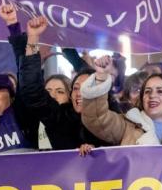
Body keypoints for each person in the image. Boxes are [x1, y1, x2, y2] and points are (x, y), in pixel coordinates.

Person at [14, 16, 110, 151]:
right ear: (71, 95)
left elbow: (89, 76)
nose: (80, 93)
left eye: (59, 91)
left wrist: (96, 151)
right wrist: (33, 38)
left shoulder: (109, 116)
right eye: (76, 88)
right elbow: (31, 88)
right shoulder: (59, 119)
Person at [81, 55, 162, 147]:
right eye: (147, 91)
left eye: (160, 91)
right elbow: (96, 118)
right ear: (142, 99)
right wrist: (101, 77)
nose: (152, 95)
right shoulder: (127, 125)